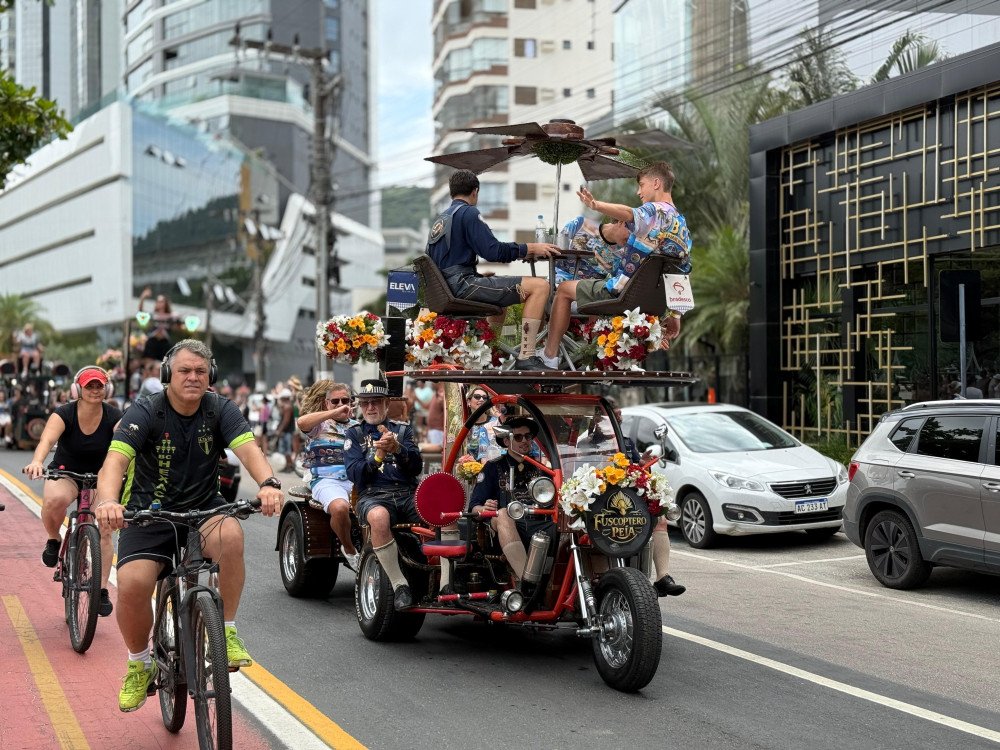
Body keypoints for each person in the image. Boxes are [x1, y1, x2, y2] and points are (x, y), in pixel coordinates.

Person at [93, 339, 283, 713]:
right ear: (169, 374)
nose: (192, 377)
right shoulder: (146, 411)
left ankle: (226, 631)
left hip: (203, 509)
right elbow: (114, 462)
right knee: (132, 584)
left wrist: (269, 484)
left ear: (210, 375)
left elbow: (249, 451)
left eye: (200, 371)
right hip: (148, 513)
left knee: (231, 535)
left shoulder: (220, 409)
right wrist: (109, 501)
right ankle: (140, 664)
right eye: (184, 370)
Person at [539, 162, 692, 367]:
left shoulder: (655, 211)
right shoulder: (682, 227)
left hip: (621, 293)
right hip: (652, 303)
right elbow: (682, 273)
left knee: (564, 290)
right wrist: (675, 314)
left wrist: (596, 206)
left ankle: (549, 356)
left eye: (642, 185)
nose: (638, 192)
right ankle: (592, 359)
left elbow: (629, 213)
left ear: (656, 183)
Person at [426, 169, 561, 370]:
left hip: (448, 288)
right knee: (540, 286)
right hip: (463, 286)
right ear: (475, 192)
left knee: (500, 298)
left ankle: (490, 354)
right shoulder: (468, 213)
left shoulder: (441, 219)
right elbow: (493, 251)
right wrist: (530, 248)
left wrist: (476, 276)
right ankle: (527, 356)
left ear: (451, 192)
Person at [22, 366, 123, 616]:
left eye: (99, 386)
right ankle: (54, 539)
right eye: (89, 386)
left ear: (108, 389)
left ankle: (101, 590)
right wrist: (37, 461)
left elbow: (125, 445)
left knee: (105, 528)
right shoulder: (64, 413)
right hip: (66, 472)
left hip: (100, 477)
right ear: (77, 389)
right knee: (54, 500)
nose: (95, 390)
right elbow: (46, 441)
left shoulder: (114, 416)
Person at [344, 379, 423, 610]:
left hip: (407, 492)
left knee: (440, 512)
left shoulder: (403, 430)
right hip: (372, 495)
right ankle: (400, 586)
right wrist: (378, 455)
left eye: (376, 402)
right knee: (379, 518)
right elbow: (355, 475)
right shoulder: (354, 434)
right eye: (365, 403)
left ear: (387, 404)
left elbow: (416, 468)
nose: (370, 407)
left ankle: (446, 581)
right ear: (360, 406)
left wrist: (398, 449)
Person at [605, 397, 684, 597]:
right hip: (603, 500)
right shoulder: (588, 442)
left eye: (620, 414)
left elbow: (636, 466)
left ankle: (662, 577)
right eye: (615, 415)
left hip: (629, 497)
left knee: (660, 520)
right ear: (602, 417)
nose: (620, 418)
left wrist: (642, 463)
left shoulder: (626, 442)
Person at [468, 416, 557, 584]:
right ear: (506, 441)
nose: (524, 441)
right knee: (502, 513)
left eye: (528, 436)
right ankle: (527, 583)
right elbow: (473, 507)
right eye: (518, 437)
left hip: (539, 524)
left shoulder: (541, 469)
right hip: (506, 526)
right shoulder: (493, 467)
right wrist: (484, 509)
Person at [297, 380, 361, 571]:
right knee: (340, 508)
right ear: (326, 403)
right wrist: (334, 413)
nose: (341, 404)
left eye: (345, 400)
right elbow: (301, 422)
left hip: (356, 481)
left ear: (351, 402)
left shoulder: (358, 427)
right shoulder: (319, 425)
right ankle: (349, 550)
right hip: (326, 480)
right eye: (335, 401)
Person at [137, 287, 179, 364]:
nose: (159, 303)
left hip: (164, 343)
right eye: (158, 301)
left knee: (165, 363)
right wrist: (143, 297)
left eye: (161, 301)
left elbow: (176, 325)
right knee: (149, 363)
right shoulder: (153, 315)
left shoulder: (171, 316)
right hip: (153, 341)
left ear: (166, 303)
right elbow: (141, 312)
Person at [275, 388, 295, 470]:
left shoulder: (287, 407)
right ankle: (288, 465)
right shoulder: (287, 406)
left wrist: (279, 430)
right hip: (287, 431)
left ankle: (289, 465)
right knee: (286, 450)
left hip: (287, 432)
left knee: (287, 450)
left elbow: (285, 421)